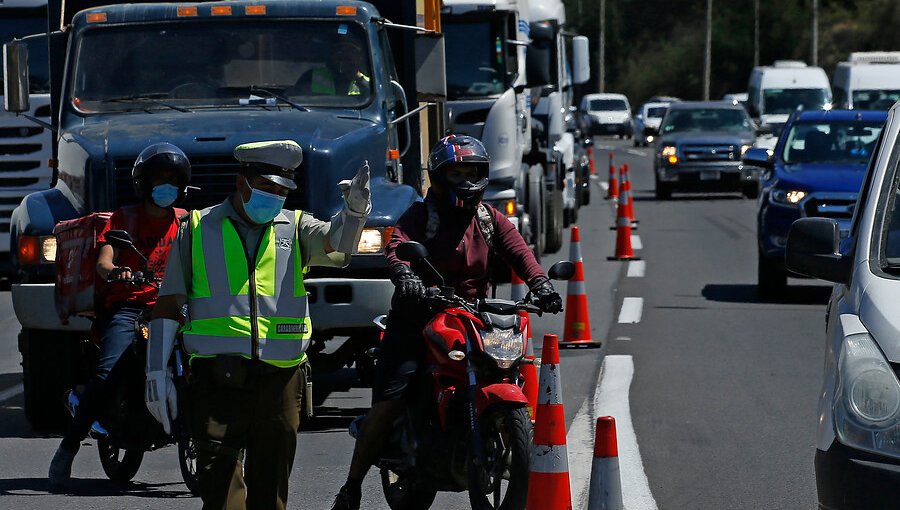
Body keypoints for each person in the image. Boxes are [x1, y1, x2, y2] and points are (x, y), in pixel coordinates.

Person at [331, 134, 563, 510]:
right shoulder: (423, 215)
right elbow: (398, 245)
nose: (465, 180)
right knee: (391, 400)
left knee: (505, 370)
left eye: (471, 171)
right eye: (456, 172)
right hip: (417, 318)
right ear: (439, 176)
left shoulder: (488, 218)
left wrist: (542, 285)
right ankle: (351, 488)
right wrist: (405, 275)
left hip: (472, 317)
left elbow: (521, 251)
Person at [146, 139, 370, 509]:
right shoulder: (198, 228)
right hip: (217, 382)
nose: (275, 197)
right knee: (221, 495)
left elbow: (336, 246)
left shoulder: (295, 227)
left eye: (282, 191)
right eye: (267, 188)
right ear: (242, 183)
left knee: (270, 495)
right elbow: (169, 303)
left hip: (281, 381)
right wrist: (156, 372)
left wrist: (355, 214)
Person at [48, 142, 192, 486]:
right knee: (107, 371)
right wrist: (117, 272)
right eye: (160, 179)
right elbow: (104, 260)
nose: (166, 186)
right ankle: (67, 449)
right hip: (130, 306)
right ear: (144, 183)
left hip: (176, 305)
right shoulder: (123, 218)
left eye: (173, 179)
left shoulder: (187, 221)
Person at [295, 32, 370, 97]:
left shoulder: (371, 83)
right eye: (339, 50)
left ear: (360, 57)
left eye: (349, 50)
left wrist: (359, 80)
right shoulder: (311, 77)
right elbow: (296, 102)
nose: (344, 55)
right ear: (331, 55)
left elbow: (376, 103)